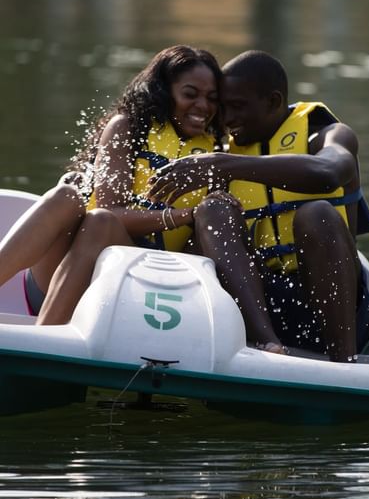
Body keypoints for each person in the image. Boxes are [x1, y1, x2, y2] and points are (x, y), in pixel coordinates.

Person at [148, 50, 369, 362]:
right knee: (213, 209)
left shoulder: (324, 132)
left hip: (339, 311)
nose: (227, 120)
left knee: (317, 214)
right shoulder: (224, 155)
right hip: (264, 309)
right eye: (223, 108)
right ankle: (268, 345)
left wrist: (224, 164)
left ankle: (343, 362)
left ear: (272, 101)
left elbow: (329, 173)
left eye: (238, 107)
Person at [0, 45, 227, 324]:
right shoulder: (128, 127)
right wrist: (184, 216)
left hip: (144, 289)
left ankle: (46, 342)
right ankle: (47, 336)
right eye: (190, 94)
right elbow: (111, 212)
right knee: (69, 198)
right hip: (63, 277)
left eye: (213, 98)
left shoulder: (219, 152)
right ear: (163, 91)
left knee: (100, 222)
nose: (203, 106)